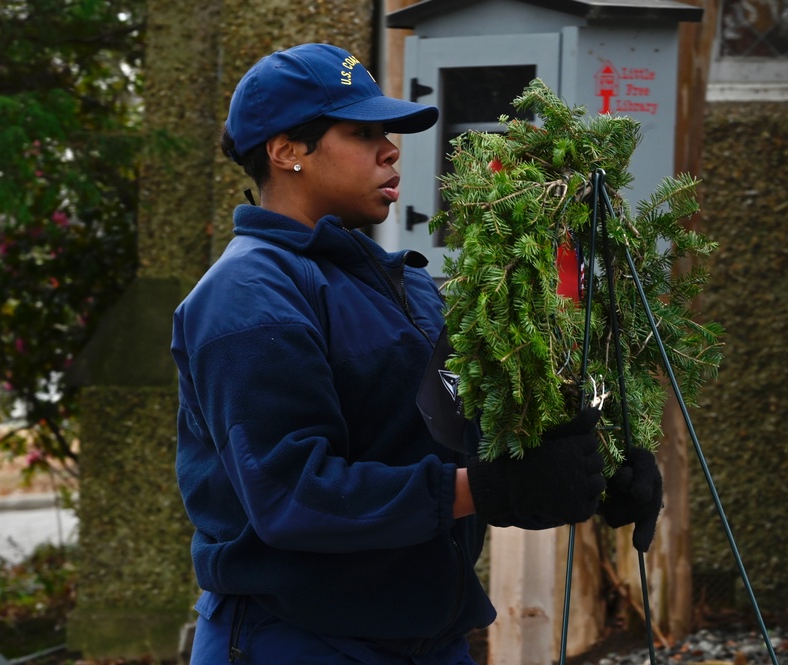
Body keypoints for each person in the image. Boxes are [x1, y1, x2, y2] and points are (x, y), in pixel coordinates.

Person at [171, 43, 662, 664]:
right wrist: (485, 490)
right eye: (363, 132)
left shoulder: (403, 285)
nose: (391, 150)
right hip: (296, 640)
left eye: (389, 133)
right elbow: (293, 495)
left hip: (429, 638)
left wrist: (595, 467)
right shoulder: (248, 294)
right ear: (287, 149)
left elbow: (466, 436)